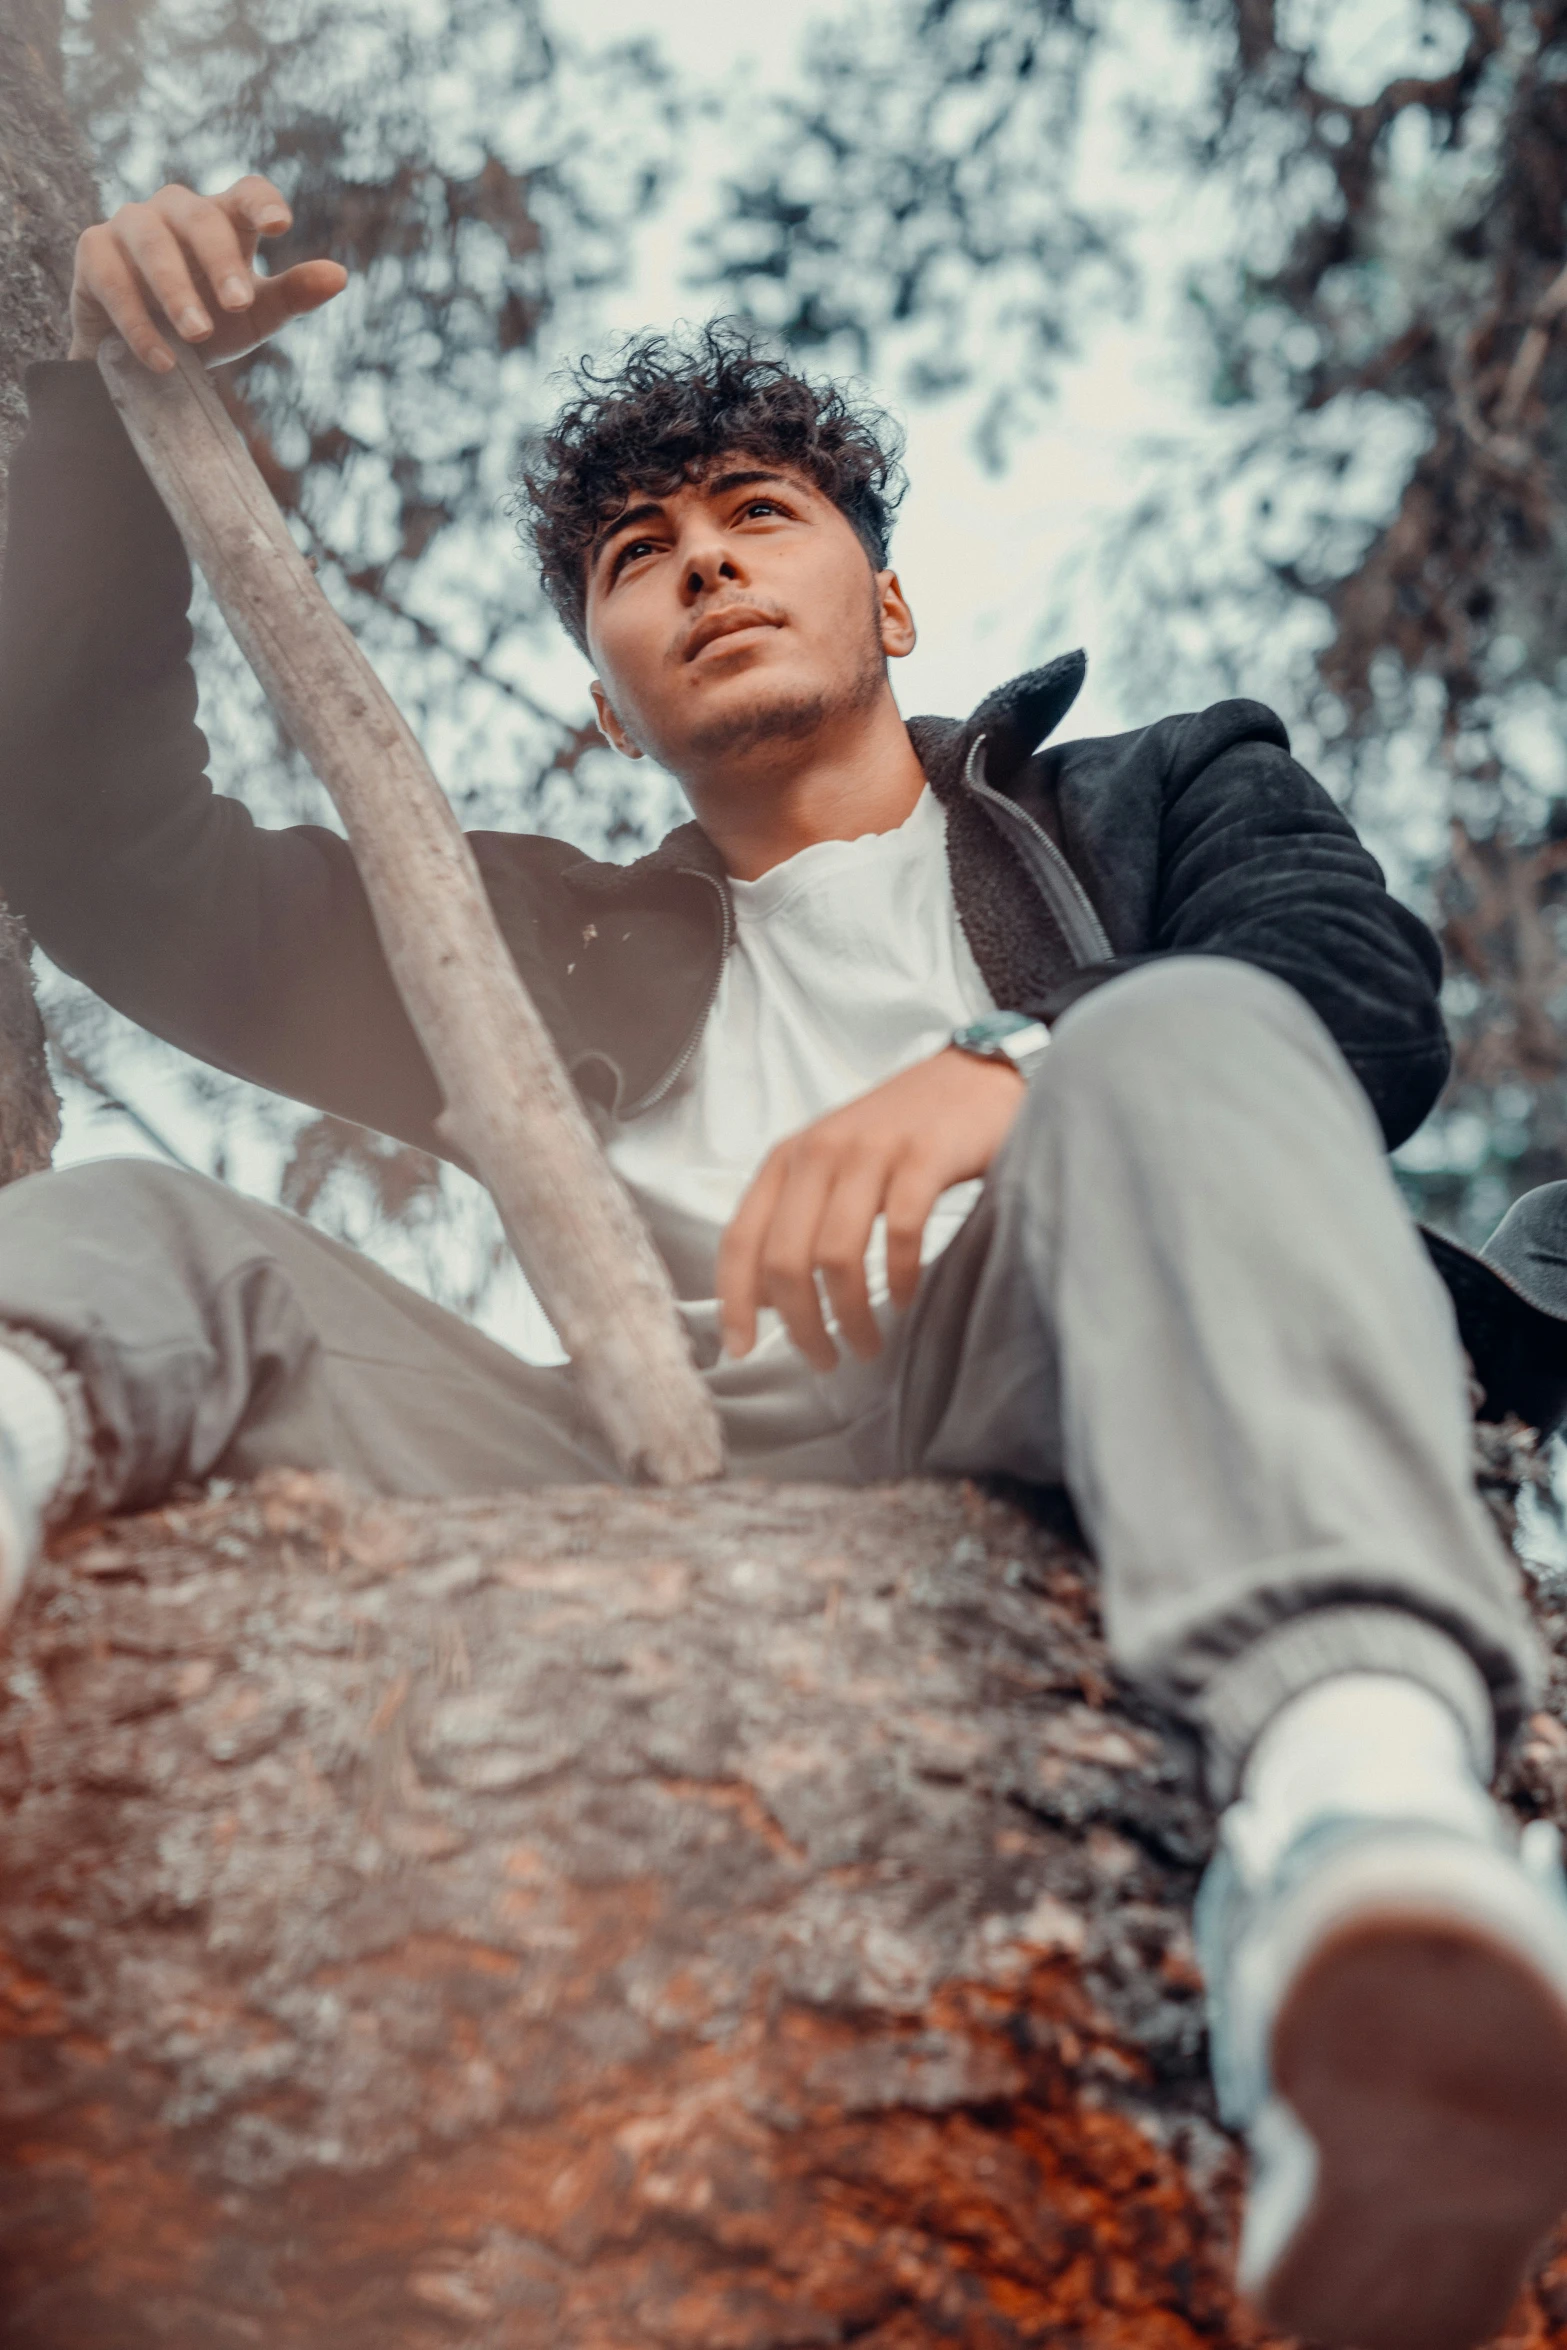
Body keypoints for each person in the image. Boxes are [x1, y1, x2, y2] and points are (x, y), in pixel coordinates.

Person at [3, 172, 1567, 2350]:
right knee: (133, 1233)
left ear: (892, 601)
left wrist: (1022, 1071)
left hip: (1040, 1372)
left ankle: (1374, 1874)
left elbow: (1354, 1000)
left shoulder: (1148, 793)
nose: (701, 563)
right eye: (637, 560)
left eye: (754, 513)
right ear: (608, 683)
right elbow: (100, 846)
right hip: (612, 1481)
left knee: (1201, 1032)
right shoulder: (526, 938)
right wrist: (104, 416)